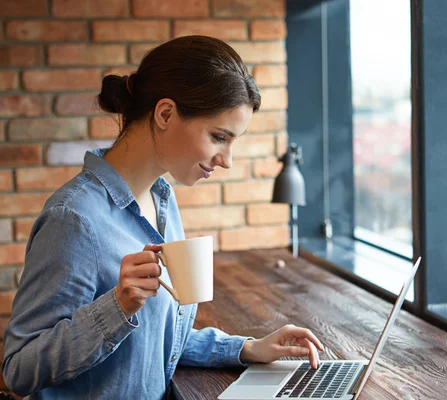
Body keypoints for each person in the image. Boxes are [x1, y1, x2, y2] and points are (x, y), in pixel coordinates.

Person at [1, 35, 324, 399]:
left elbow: (157, 338)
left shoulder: (162, 201)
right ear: (165, 113)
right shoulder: (74, 219)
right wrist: (118, 307)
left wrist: (248, 349)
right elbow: (18, 369)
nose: (227, 160)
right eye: (219, 136)